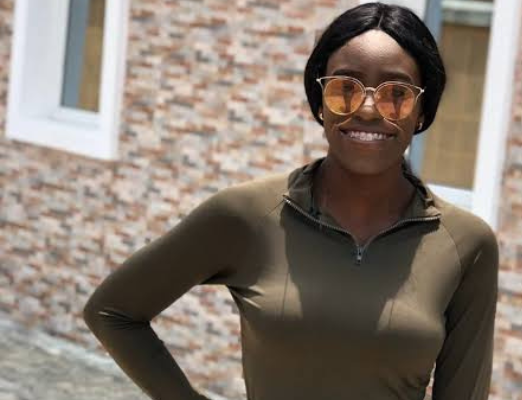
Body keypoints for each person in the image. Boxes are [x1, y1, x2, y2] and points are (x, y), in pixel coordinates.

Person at [83, 2, 499, 400]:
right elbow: (113, 311)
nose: (369, 109)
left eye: (397, 94)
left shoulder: (466, 244)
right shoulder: (246, 215)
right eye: (344, 89)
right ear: (319, 103)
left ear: (422, 111)